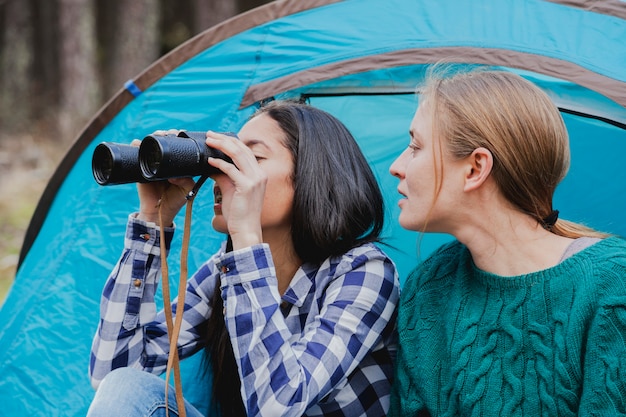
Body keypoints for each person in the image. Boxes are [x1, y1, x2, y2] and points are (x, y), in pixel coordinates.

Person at [87, 100, 400, 417]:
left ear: (311, 175)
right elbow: (113, 374)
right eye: (224, 159)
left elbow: (278, 406)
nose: (221, 175)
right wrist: (154, 219)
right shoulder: (224, 270)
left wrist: (247, 237)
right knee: (128, 387)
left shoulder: (364, 270)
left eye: (251, 158)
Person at [387, 68, 626, 416]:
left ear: (475, 168)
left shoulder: (612, 287)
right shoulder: (429, 287)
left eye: (415, 146)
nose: (397, 166)